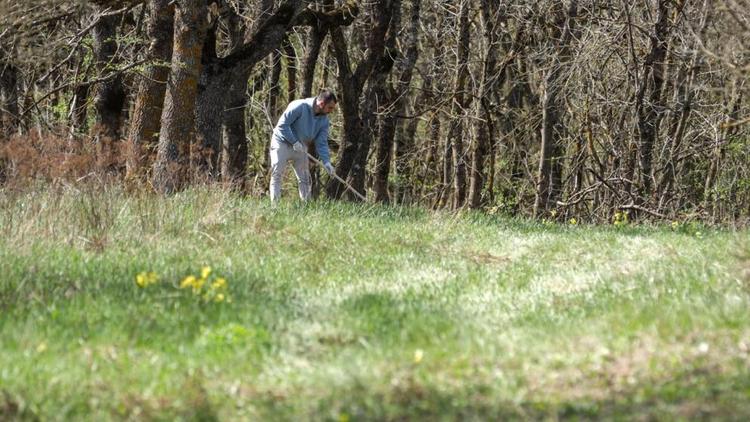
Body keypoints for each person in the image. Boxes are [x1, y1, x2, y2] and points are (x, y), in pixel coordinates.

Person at [269, 89, 337, 202]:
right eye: (330, 107)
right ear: (321, 104)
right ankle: (274, 206)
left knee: (305, 178)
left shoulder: (324, 120)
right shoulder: (299, 106)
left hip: (301, 146)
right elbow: (282, 126)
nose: (331, 111)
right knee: (277, 174)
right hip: (282, 142)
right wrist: (294, 142)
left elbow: (322, 142)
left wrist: (327, 162)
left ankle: (306, 206)